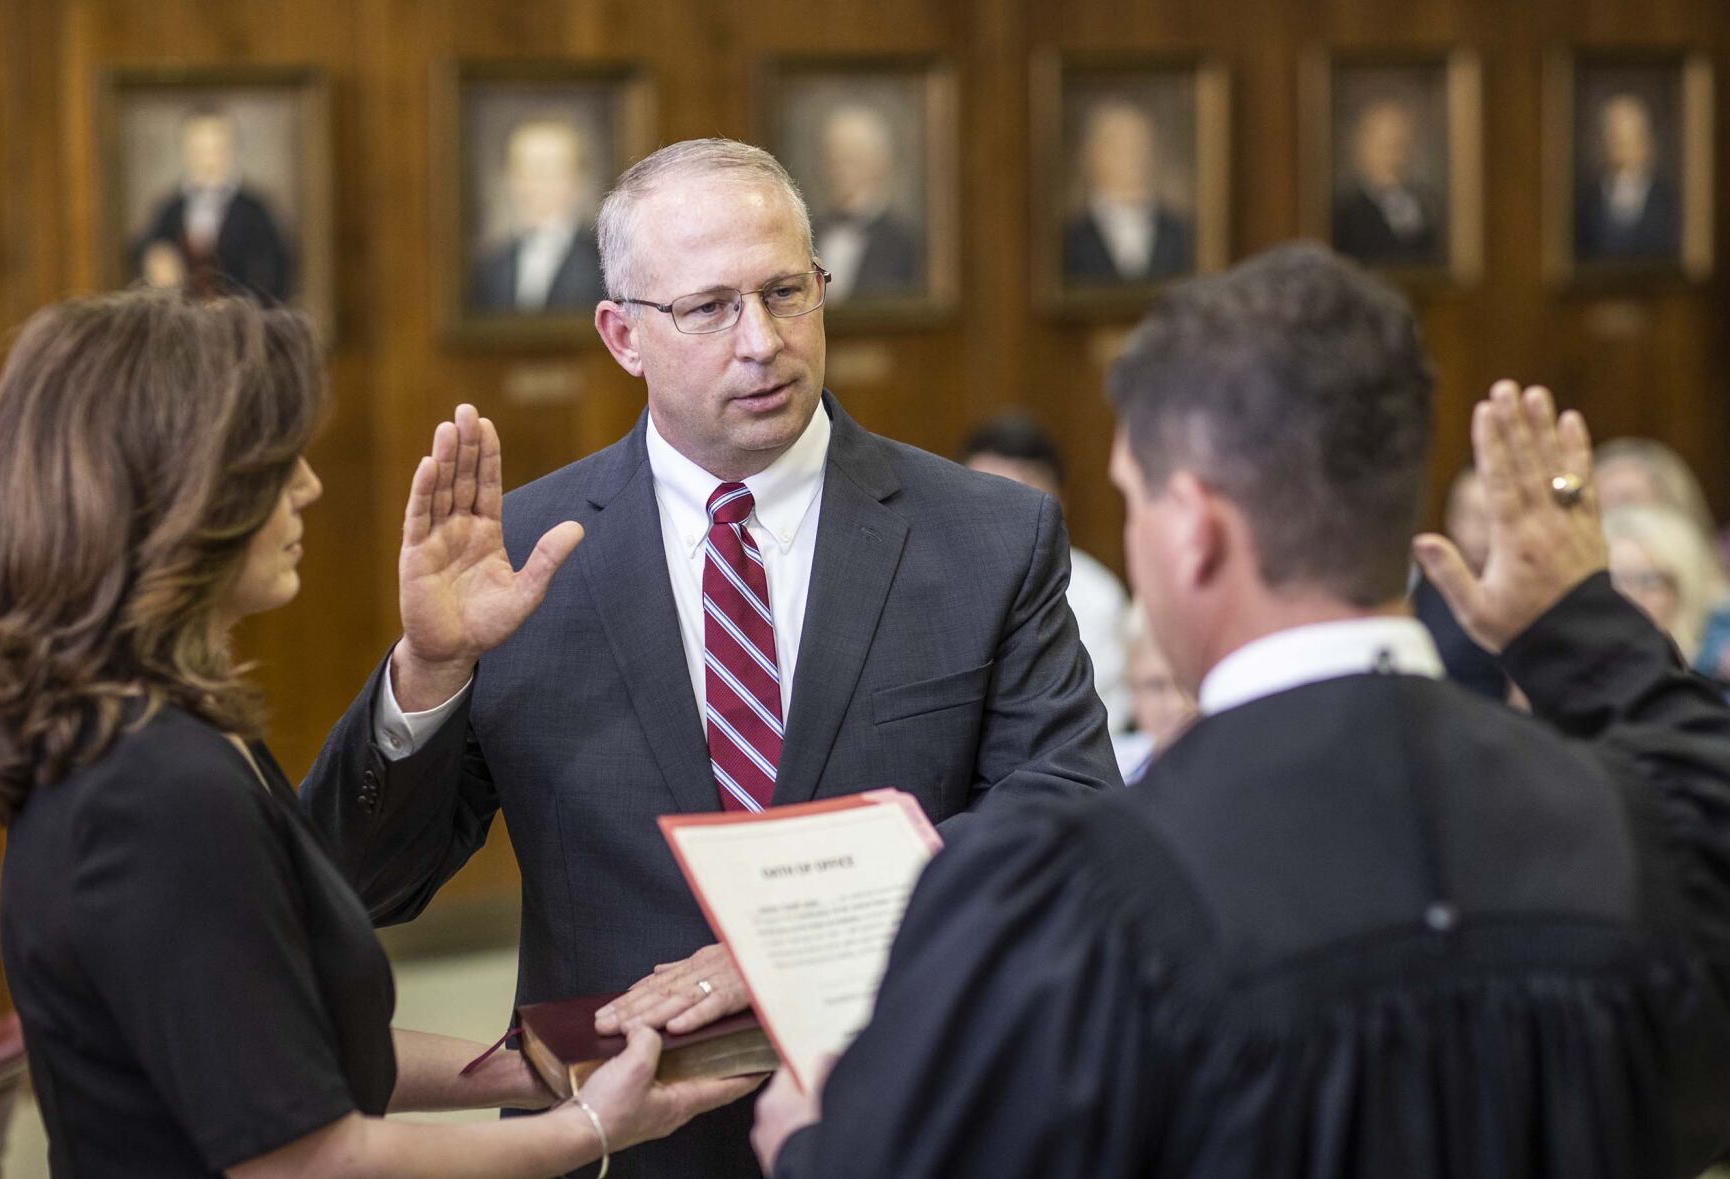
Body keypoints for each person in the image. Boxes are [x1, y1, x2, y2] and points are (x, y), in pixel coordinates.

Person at [751, 243, 1730, 1178]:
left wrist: (813, 1147)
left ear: (1195, 529)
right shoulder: (1639, 835)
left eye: (1133, 499)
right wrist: (1576, 627)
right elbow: (1695, 764)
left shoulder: (1071, 897)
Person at [300, 138, 1118, 1179]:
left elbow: (1062, 819)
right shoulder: (524, 556)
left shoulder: (987, 537)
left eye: (786, 293)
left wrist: (797, 944)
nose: (762, 342)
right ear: (621, 334)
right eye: (709, 307)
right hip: (617, 1145)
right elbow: (357, 886)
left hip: (918, 1122)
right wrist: (428, 675)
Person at [0, 291, 756, 1177]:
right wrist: (590, 1130)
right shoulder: (154, 783)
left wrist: (538, 1069)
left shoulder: (166, 726)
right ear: (174, 487)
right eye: (273, 460)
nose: (307, 484)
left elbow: (282, 1050)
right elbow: (300, 1155)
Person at [960, 412, 1132, 734]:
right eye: (984, 495)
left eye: (1017, 494)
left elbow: (1103, 720)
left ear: (1058, 501)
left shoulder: (1097, 596)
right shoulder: (931, 584)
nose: (999, 516)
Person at [134, 108, 293, 303]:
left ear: (232, 150)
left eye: (217, 149)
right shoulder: (170, 209)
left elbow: (276, 273)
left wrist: (239, 303)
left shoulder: (255, 210)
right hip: (181, 321)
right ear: (185, 151)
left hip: (239, 322)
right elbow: (145, 251)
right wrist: (154, 258)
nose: (208, 160)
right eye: (199, 150)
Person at [472, 117, 608, 314]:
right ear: (510, 179)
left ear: (577, 179)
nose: (536, 183)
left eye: (550, 170)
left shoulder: (601, 263)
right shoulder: (491, 269)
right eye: (526, 170)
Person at [1063, 99, 1191, 285]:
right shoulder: (1069, 239)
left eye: (1140, 144)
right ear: (1091, 154)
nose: (1133, 156)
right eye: (1118, 145)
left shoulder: (1180, 231)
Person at [1410, 466, 1510, 700]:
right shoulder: (1421, 596)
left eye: (1494, 518)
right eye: (1475, 517)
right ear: (1452, 519)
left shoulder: (1532, 594)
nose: (1483, 532)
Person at [813, 104, 920, 302]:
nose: (837, 169)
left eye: (850, 158)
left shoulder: (903, 243)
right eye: (832, 157)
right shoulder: (809, 233)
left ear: (879, 162)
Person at [1605, 503, 1726, 670]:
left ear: (1684, 589)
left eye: (1649, 581)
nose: (1629, 596)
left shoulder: (1715, 671)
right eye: (1615, 581)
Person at [1331, 98, 1441, 266]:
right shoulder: (1345, 209)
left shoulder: (1430, 202)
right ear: (1364, 147)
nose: (1396, 154)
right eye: (1387, 145)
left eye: (1402, 143)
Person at [1575, 94, 1680, 262]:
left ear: (1646, 140)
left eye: (1629, 137)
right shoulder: (1585, 199)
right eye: (1614, 136)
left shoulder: (1668, 198)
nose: (1621, 146)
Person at [1108, 605, 1196, 784]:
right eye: (1155, 686)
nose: (1177, 704)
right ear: (1130, 689)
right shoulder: (1106, 773)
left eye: (1186, 683)